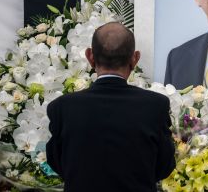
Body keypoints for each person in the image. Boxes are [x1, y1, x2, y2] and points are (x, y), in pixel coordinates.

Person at [46, 22, 175, 192]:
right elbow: (164, 166)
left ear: (90, 56)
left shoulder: (61, 107)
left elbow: (57, 163)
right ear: (135, 58)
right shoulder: (156, 105)